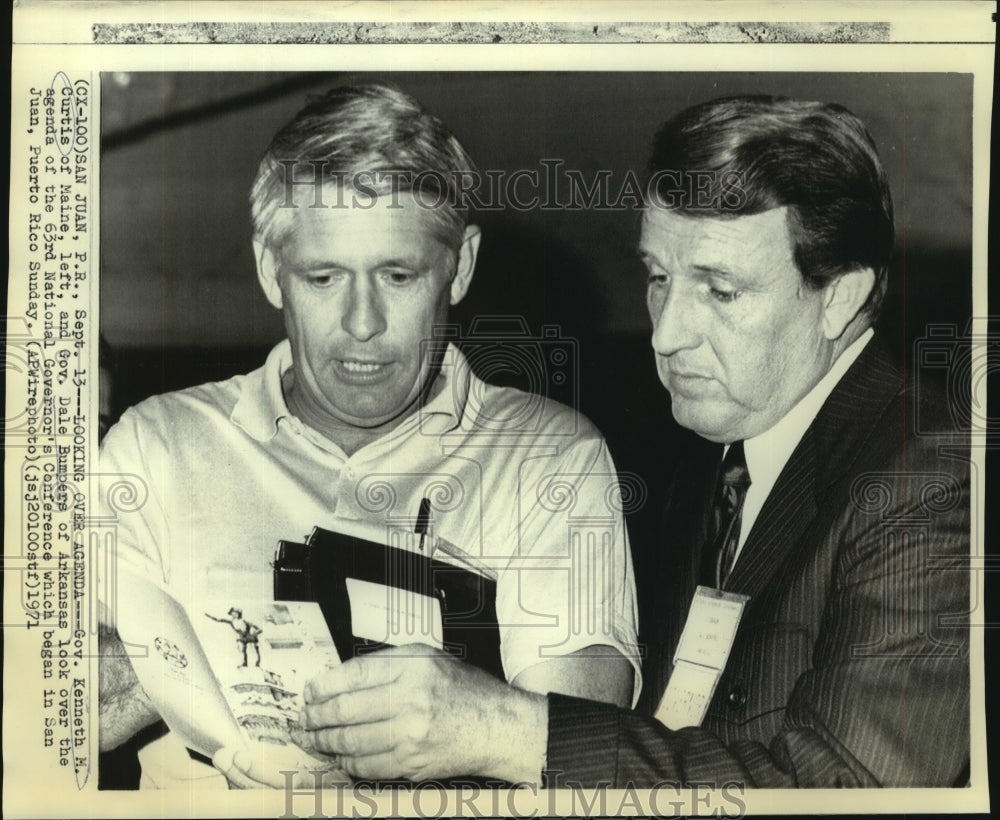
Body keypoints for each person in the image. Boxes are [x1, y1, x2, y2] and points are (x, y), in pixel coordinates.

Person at [266, 95, 970, 789]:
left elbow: (846, 791)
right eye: (659, 278)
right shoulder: (712, 458)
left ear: (839, 297)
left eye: (720, 291)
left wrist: (502, 731)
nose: (665, 335)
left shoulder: (932, 479)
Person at [98, 83, 640, 788]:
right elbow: (61, 707)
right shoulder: (154, 446)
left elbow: (578, 754)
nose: (361, 324)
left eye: (397, 274)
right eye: (323, 277)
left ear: (460, 267)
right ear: (271, 271)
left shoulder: (550, 459)